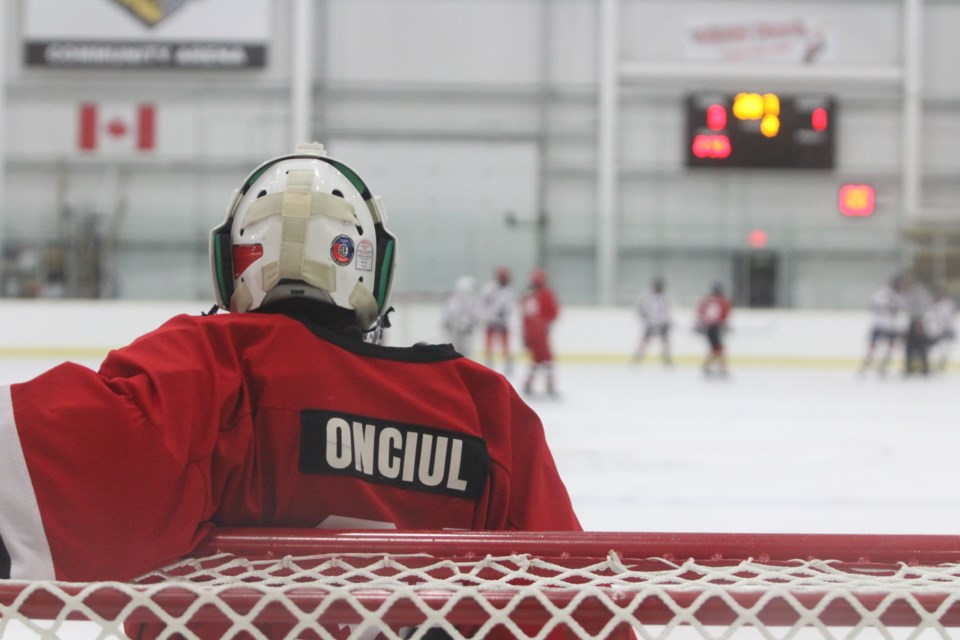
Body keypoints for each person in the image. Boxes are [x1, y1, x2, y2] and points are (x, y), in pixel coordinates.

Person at [0, 144, 580, 623]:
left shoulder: (210, 373)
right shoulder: (485, 414)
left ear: (234, 262)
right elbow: (573, 611)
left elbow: (33, 483)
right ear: (370, 268)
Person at [521, 268, 560, 395]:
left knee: (538, 359)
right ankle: (548, 384)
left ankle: (529, 383)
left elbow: (552, 313)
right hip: (538, 333)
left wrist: (526, 334)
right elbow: (553, 313)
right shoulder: (540, 295)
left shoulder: (530, 296)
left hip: (536, 333)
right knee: (545, 358)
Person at [859, 274, 906, 376]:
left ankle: (874, 362)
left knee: (884, 344)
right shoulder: (892, 294)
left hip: (884, 324)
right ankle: (875, 362)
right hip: (884, 324)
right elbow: (899, 307)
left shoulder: (883, 293)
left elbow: (872, 303)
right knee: (879, 344)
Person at [479, 265, 516, 372]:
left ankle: (508, 364)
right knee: (489, 344)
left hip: (503, 322)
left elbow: (511, 303)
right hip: (491, 321)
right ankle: (489, 363)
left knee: (506, 344)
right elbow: (483, 303)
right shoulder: (489, 288)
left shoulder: (510, 289)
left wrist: (506, 312)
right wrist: (489, 314)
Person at [633, 277, 672, 366]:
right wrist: (643, 315)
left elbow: (667, 309)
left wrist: (666, 319)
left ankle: (666, 357)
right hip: (650, 322)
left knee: (665, 340)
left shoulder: (665, 296)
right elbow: (640, 307)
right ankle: (639, 356)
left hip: (662, 322)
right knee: (646, 340)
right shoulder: (646, 295)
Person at [696, 282, 731, 377]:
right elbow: (725, 314)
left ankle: (710, 367)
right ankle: (720, 368)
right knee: (717, 348)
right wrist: (725, 324)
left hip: (708, 327)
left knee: (716, 348)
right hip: (716, 327)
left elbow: (700, 312)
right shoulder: (723, 301)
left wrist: (700, 324)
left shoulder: (706, 300)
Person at [442, 275, 481, 357]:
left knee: (466, 351)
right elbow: (448, 315)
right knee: (453, 350)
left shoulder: (473, 301)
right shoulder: (453, 300)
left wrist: (470, 324)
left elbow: (476, 316)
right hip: (454, 332)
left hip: (466, 332)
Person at [928, 286, 956, 373]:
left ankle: (942, 362)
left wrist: (944, 328)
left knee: (945, 346)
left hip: (945, 330)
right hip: (937, 330)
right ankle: (939, 362)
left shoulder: (947, 304)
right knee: (938, 347)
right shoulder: (936, 305)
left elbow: (948, 318)